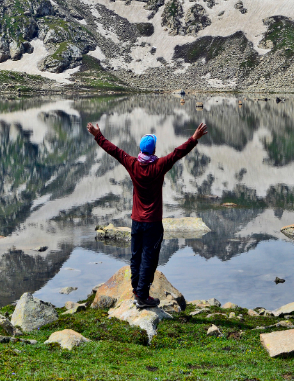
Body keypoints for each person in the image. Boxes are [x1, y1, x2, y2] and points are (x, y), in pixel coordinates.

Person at [87, 120, 208, 308]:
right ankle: (142, 296)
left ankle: (137, 290)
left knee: (136, 256)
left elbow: (115, 151)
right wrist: (194, 138)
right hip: (152, 222)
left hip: (136, 220)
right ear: (153, 150)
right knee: (149, 258)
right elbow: (177, 153)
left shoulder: (133, 164)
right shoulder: (159, 166)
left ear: (141, 150)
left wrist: (98, 136)